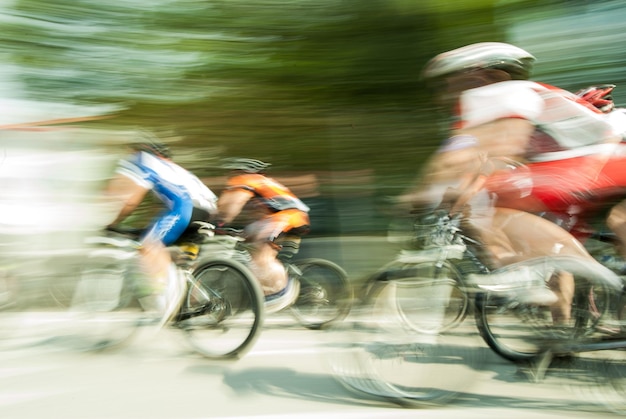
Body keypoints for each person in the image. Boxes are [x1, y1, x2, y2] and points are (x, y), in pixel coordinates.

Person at [411, 42, 626, 323]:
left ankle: (525, 275)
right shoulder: (531, 106)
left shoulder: (502, 96)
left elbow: (470, 161)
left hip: (600, 168)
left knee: (488, 203)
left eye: (452, 81)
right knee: (556, 251)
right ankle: (562, 334)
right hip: (589, 172)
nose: (447, 90)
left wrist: (431, 198)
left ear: (482, 76)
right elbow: (484, 163)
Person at [106, 135, 218, 323]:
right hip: (208, 213)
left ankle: (162, 308)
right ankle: (192, 300)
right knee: (181, 263)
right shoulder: (176, 170)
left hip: (185, 210)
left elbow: (130, 199)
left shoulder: (142, 159)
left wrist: (113, 223)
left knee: (148, 247)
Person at [214, 158, 311, 312]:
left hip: (288, 217)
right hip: (292, 217)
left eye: (233, 171)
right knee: (245, 236)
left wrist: (218, 222)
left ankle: (280, 293)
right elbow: (253, 218)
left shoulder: (248, 180)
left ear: (242, 171)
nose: (230, 175)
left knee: (261, 248)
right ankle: (266, 283)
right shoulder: (263, 183)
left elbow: (232, 206)